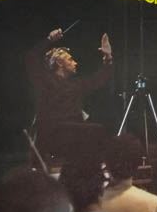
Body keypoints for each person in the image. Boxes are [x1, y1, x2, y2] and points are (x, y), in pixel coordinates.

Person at [25, 27, 113, 161]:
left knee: (97, 131)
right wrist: (49, 39)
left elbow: (98, 79)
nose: (75, 63)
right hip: (53, 132)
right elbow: (31, 58)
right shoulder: (44, 80)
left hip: (73, 131)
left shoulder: (76, 84)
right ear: (59, 62)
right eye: (70, 59)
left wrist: (108, 57)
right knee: (94, 131)